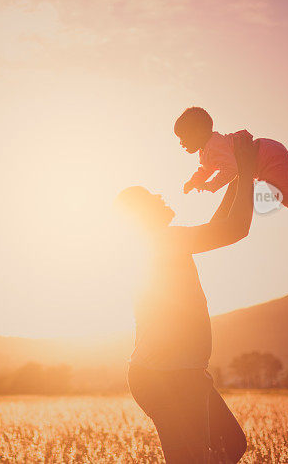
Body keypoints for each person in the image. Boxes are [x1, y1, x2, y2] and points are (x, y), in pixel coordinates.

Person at [115, 131, 256, 463]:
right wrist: (247, 171)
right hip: (168, 376)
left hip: (180, 372)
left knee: (231, 446)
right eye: (152, 197)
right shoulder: (160, 242)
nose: (161, 197)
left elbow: (219, 224)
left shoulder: (161, 241)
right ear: (142, 214)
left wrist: (236, 174)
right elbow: (234, 229)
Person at [174, 106, 288, 249]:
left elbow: (231, 169)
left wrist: (210, 185)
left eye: (183, 137)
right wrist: (194, 181)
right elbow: (206, 169)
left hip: (266, 156)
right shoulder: (207, 150)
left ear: (199, 131)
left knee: (283, 194)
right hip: (266, 154)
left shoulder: (214, 146)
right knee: (277, 179)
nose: (181, 143)